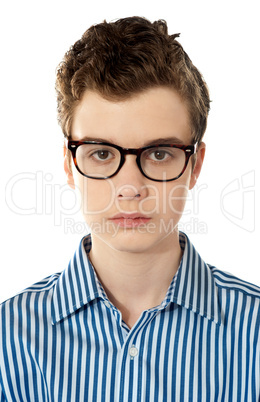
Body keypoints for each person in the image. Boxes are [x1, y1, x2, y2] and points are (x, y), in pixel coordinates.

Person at [0, 16, 259, 402]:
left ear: (195, 165)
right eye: (102, 153)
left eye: (158, 153)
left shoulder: (253, 333)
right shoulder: (8, 338)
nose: (130, 188)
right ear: (70, 165)